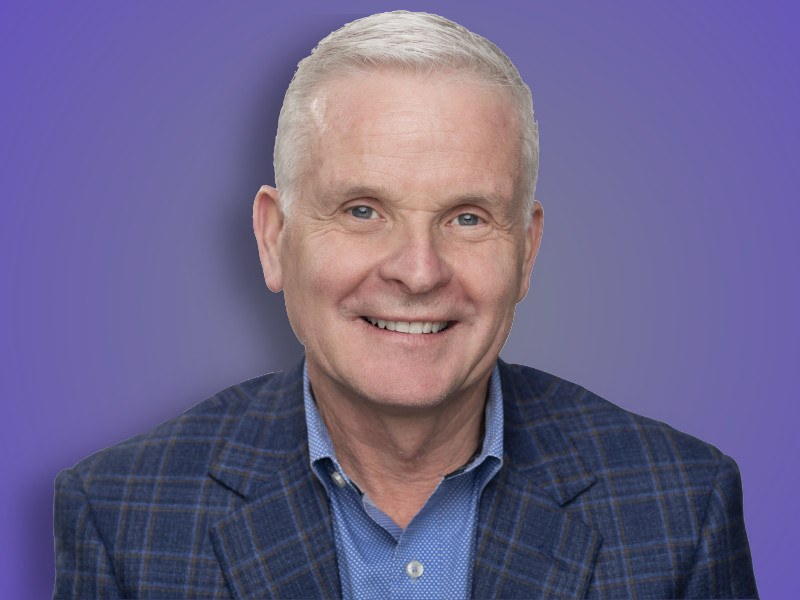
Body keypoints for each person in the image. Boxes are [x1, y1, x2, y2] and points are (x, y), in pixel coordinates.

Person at [53, 11, 757, 599]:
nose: (419, 271)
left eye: (468, 217)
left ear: (528, 251)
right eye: (363, 210)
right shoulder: (121, 515)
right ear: (275, 239)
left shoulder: (680, 509)